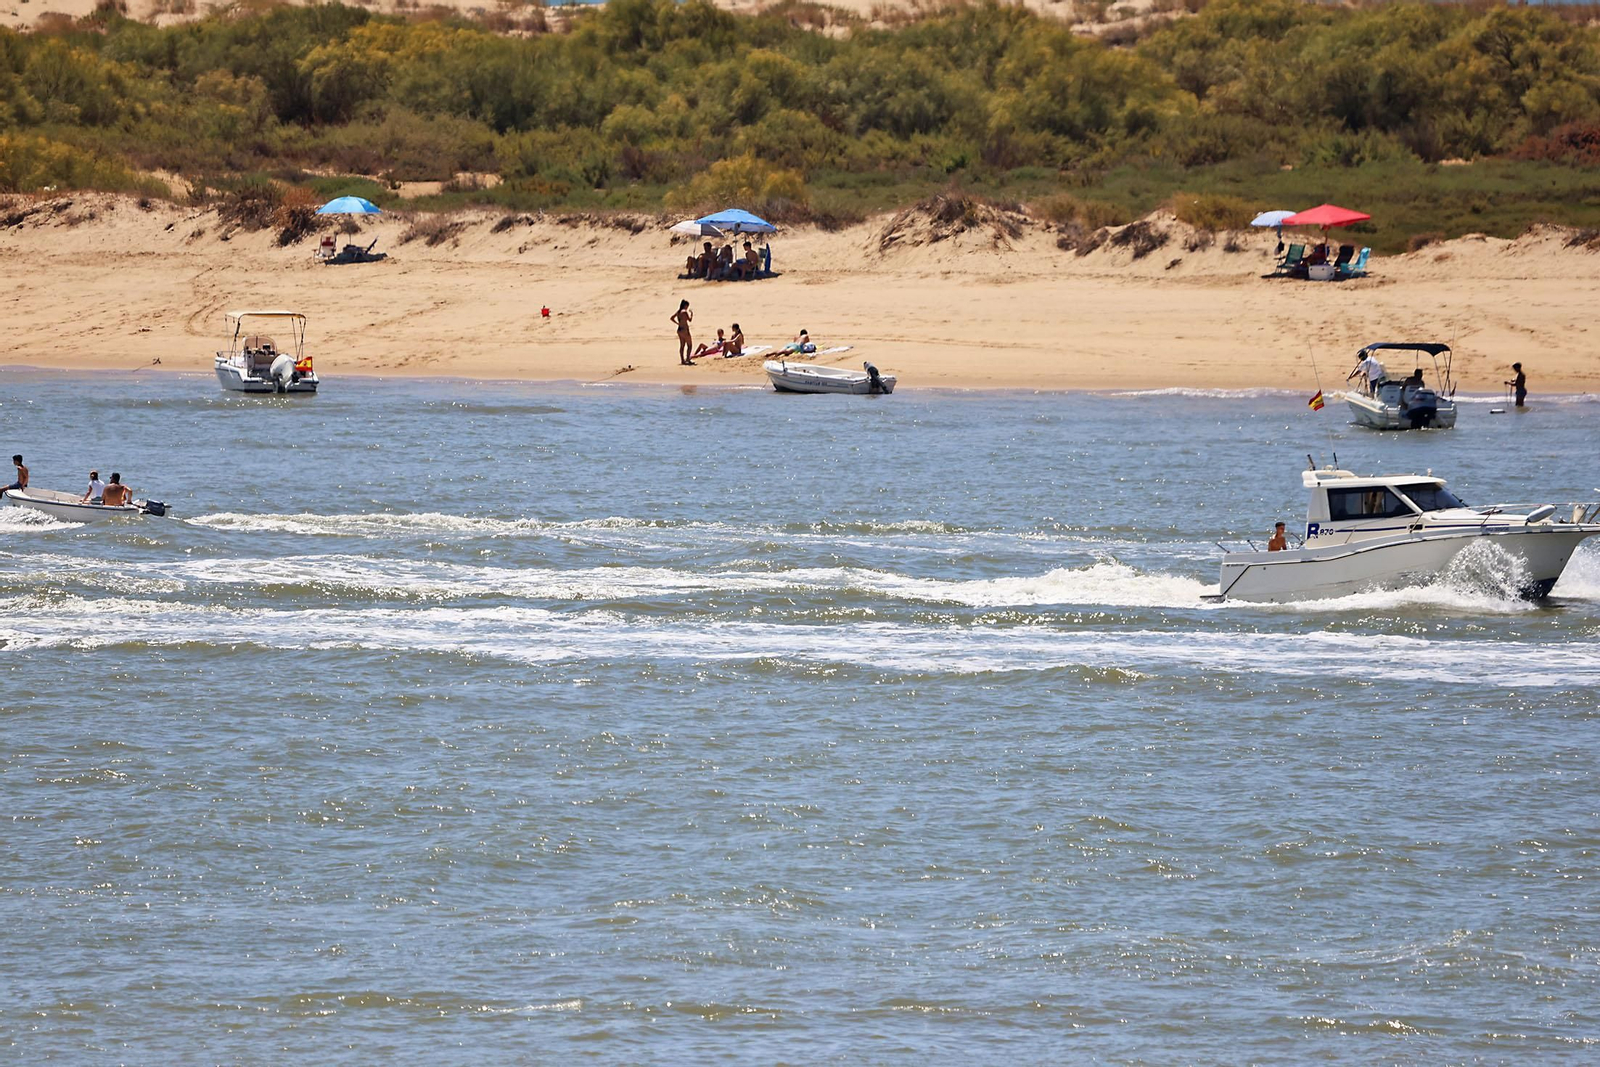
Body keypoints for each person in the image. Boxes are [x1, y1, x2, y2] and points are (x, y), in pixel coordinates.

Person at [671, 300, 693, 365]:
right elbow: (690, 320)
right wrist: (691, 314)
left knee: (682, 345)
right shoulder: (684, 312)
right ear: (685, 305)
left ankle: (682, 360)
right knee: (689, 345)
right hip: (685, 329)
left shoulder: (678, 312)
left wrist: (678, 323)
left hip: (679, 329)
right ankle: (688, 359)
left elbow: (672, 318)